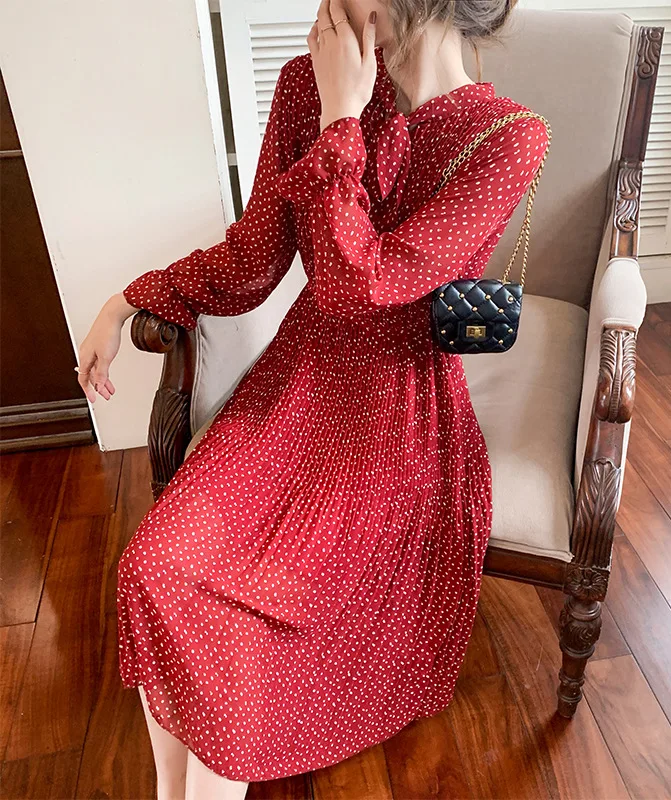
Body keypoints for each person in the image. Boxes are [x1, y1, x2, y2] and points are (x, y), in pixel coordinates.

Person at [76, 0, 550, 796]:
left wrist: (341, 119)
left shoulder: (507, 137)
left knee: (237, 620)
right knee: (155, 567)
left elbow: (359, 286)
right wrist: (126, 300)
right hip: (298, 384)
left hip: (397, 415)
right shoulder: (307, 82)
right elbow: (255, 260)